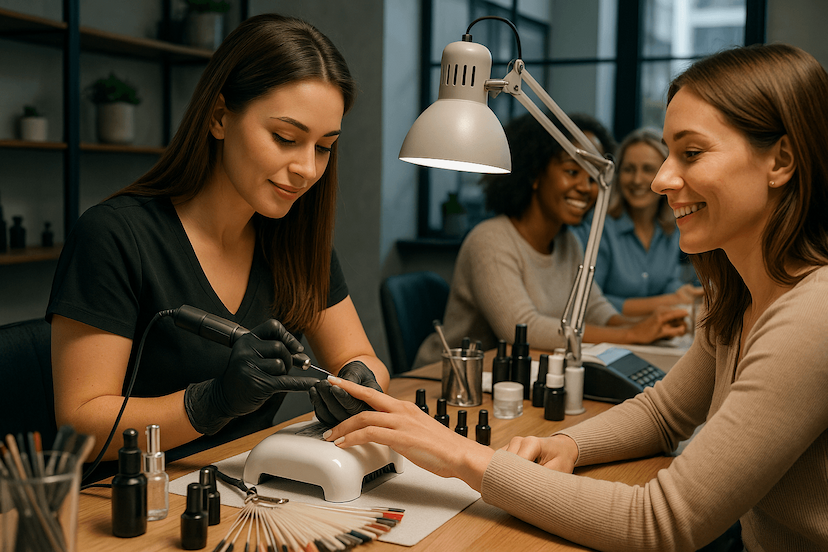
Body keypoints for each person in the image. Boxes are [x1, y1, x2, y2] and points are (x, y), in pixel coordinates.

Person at [325, 43, 828, 550]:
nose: (659, 180)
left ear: (781, 160)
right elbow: (663, 414)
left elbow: (661, 522)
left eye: (691, 153)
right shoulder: (738, 300)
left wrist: (461, 456)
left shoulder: (814, 315)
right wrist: (566, 442)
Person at [47, 14, 389, 467]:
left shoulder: (296, 239)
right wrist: (210, 403)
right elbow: (81, 428)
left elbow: (359, 356)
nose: (308, 168)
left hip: (250, 489)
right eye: (286, 138)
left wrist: (358, 380)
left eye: (324, 146)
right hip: (139, 508)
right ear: (219, 118)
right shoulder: (114, 236)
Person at [413, 113, 689, 368]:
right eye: (572, 172)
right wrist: (632, 334)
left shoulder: (568, 243)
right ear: (534, 174)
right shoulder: (490, 240)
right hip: (446, 381)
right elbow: (521, 329)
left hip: (512, 381)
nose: (585, 187)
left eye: (593, 176)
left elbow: (594, 309)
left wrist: (650, 327)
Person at [572, 128, 703, 315]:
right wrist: (667, 301)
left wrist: (682, 292)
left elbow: (665, 283)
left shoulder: (672, 227)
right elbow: (589, 301)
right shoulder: (598, 226)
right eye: (628, 169)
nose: (637, 179)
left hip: (656, 338)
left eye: (648, 169)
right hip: (607, 337)